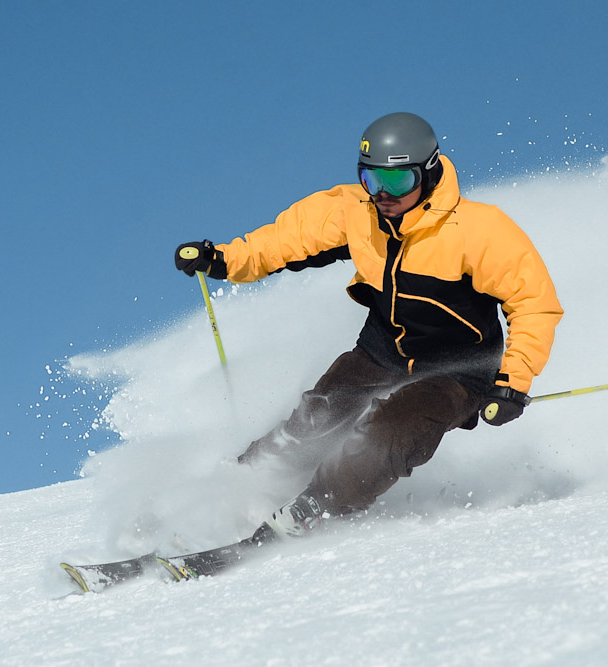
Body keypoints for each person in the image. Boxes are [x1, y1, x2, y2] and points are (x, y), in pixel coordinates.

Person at [175, 112, 562, 539]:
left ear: (428, 173)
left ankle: (314, 507)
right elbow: (287, 239)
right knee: (315, 419)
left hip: (460, 369)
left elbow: (534, 303)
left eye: (396, 183)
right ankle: (236, 489)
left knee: (388, 433)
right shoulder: (358, 212)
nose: (382, 194)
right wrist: (226, 259)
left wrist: (513, 382)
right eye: (371, 180)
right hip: (383, 352)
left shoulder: (479, 230)